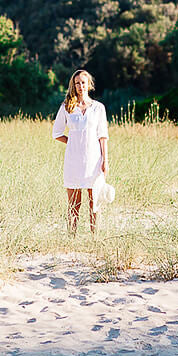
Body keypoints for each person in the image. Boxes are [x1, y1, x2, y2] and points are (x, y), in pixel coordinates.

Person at [52, 69, 109, 235]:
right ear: (73, 85)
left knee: (94, 202)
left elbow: (103, 136)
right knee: (74, 203)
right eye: (77, 83)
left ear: (89, 84)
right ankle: (72, 237)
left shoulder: (98, 108)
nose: (80, 86)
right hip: (73, 160)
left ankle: (95, 238)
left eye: (83, 82)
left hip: (94, 160)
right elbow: (56, 133)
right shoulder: (66, 107)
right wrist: (73, 141)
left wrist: (105, 160)